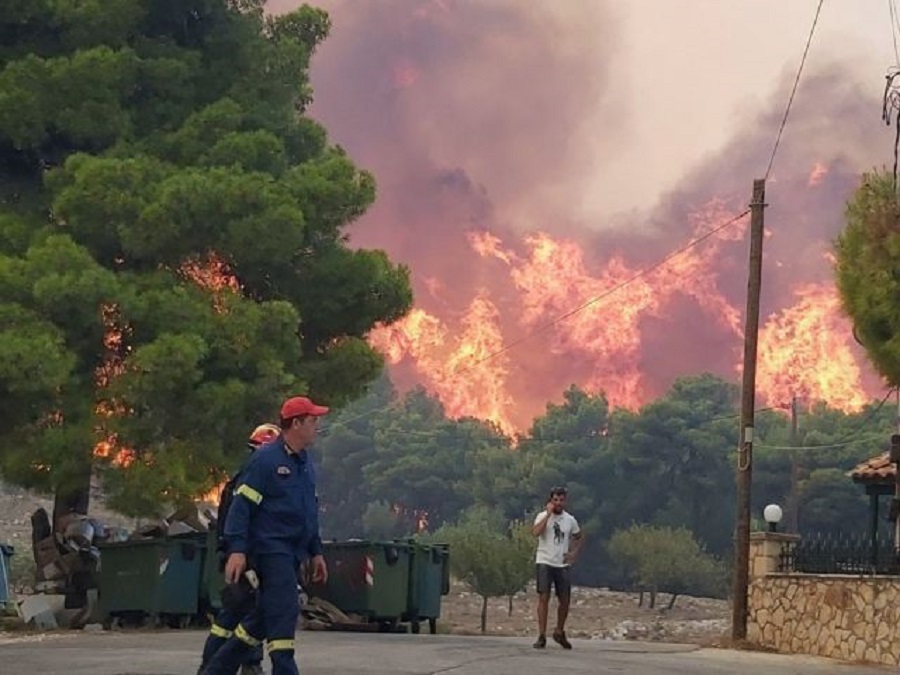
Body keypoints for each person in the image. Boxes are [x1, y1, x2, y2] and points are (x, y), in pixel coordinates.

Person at [204, 396, 330, 675]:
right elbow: (241, 508)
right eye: (312, 420)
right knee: (283, 621)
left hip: (295, 552)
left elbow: (308, 512)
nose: (317, 426)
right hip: (272, 552)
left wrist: (316, 551)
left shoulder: (304, 462)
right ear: (296, 424)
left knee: (258, 621)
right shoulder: (264, 460)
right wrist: (236, 550)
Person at [197, 423, 280, 675]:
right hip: (246, 558)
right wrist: (243, 554)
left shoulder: (243, 477)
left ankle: (215, 666)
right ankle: (246, 664)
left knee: (234, 614)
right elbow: (241, 520)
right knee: (246, 613)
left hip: (241, 555)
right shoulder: (249, 479)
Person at [531, 486, 583, 650]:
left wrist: (573, 553)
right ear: (550, 501)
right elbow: (535, 532)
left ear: (565, 501)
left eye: (561, 500)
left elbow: (579, 536)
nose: (558, 503)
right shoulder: (542, 516)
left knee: (565, 600)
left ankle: (559, 631)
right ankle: (541, 635)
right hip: (545, 560)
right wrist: (547, 514)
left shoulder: (570, 520)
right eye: (555, 500)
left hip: (562, 563)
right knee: (543, 597)